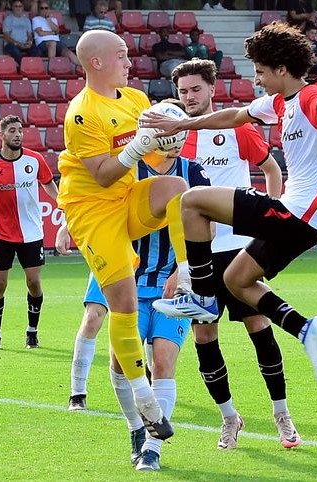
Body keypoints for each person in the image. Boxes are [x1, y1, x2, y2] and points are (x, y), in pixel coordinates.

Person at [142, 21, 317, 386]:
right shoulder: (279, 102)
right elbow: (232, 116)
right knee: (237, 279)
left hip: (298, 214)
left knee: (192, 202)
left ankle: (199, 294)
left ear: (281, 69)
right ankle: (306, 329)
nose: (256, 79)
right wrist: (181, 126)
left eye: (260, 71)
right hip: (305, 219)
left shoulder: (310, 97)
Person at [56, 29, 191, 441]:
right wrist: (138, 146)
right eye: (121, 56)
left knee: (178, 190)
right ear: (95, 63)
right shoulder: (81, 113)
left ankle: (185, 273)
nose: (130, 63)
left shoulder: (135, 100)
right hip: (92, 210)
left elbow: (154, 157)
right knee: (124, 304)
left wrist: (171, 141)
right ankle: (142, 402)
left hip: (127, 196)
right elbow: (101, 175)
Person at [171, 58, 302, 450]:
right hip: (197, 258)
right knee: (205, 337)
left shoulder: (237, 128)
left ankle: (282, 414)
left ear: (212, 89)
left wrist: (270, 229)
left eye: (195, 89)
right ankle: (230, 419)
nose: (188, 97)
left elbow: (273, 171)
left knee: (259, 330)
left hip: (239, 252)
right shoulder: (174, 138)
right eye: (182, 91)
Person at [60, 135, 209, 471]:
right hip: (129, 281)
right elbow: (92, 202)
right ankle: (135, 430)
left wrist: (181, 271)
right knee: (120, 364)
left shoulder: (193, 173)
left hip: (173, 288)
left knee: (164, 361)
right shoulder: (127, 171)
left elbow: (205, 223)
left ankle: (153, 449)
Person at [0, 115, 59, 351]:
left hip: (31, 232)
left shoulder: (35, 159)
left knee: (34, 282)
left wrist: (62, 202)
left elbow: (48, 183)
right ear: (2, 135)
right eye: (12, 131)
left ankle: (32, 332)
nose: (18, 134)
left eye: (20, 130)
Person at [2, 0, 41, 66]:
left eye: (20, 6)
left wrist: (30, 42)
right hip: (12, 44)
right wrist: (18, 44)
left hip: (24, 43)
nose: (18, 8)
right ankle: (25, 67)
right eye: (16, 6)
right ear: (12, 8)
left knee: (37, 51)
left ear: (23, 8)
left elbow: (30, 35)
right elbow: (6, 36)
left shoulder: (26, 20)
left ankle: (29, 66)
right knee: (16, 52)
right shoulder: (7, 19)